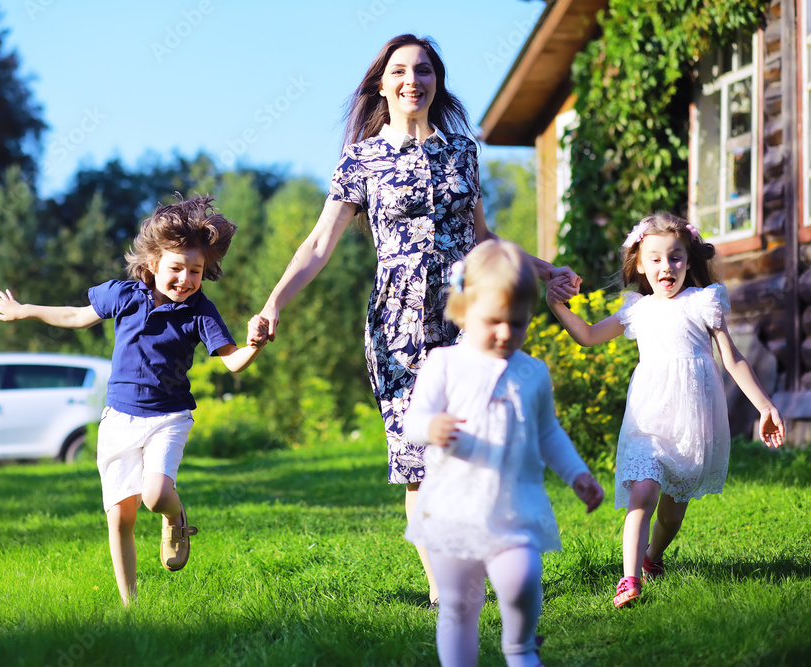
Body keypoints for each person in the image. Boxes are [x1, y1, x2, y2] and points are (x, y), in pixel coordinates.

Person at [246, 34, 580, 608]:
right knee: (416, 457)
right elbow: (320, 243)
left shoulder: (462, 153)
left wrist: (540, 269)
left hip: (465, 320)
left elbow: (482, 240)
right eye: (399, 70)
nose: (412, 80)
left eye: (423, 70)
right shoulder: (361, 159)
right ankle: (442, 592)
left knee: (473, 446)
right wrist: (274, 301)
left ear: (436, 82)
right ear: (382, 83)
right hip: (397, 327)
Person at [0, 195, 266, 605]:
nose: (185, 279)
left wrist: (254, 344)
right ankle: (130, 604)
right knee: (120, 517)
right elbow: (73, 316)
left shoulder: (199, 312)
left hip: (169, 417)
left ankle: (175, 516)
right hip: (119, 419)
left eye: (196, 271)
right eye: (176, 269)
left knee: (154, 495)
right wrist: (25, 309)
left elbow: (234, 362)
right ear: (153, 264)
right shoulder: (123, 295)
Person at [545, 212, 785, 609]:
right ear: (639, 264)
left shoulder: (703, 302)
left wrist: (765, 406)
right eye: (654, 258)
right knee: (644, 491)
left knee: (671, 516)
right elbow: (587, 336)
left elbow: (733, 359)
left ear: (688, 262)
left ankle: (652, 558)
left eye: (675, 257)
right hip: (649, 419)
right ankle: (629, 579)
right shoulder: (636, 311)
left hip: (692, 424)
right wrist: (559, 309)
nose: (665, 267)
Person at [403, 241, 604, 667]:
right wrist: (430, 427)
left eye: (517, 323)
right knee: (458, 604)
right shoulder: (444, 364)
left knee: (522, 580)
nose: (504, 333)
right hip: (454, 507)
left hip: (514, 505)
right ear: (462, 310)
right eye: (493, 321)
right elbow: (413, 421)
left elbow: (548, 432)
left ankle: (521, 649)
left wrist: (577, 474)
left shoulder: (531, 372)